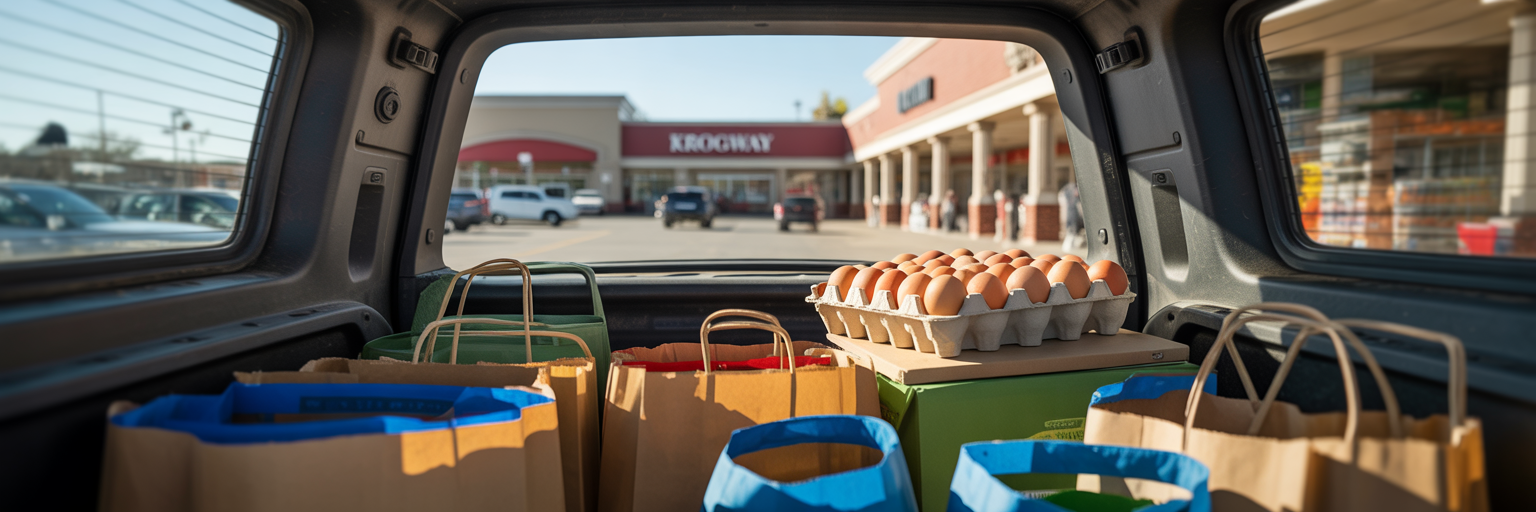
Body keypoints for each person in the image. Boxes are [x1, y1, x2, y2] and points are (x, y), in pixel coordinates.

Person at [1059, 182, 1084, 251]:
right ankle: (1068, 247)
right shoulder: (1068, 192)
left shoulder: (1075, 199)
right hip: (1070, 215)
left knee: (1073, 230)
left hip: (1074, 216)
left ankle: (1071, 246)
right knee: (1070, 230)